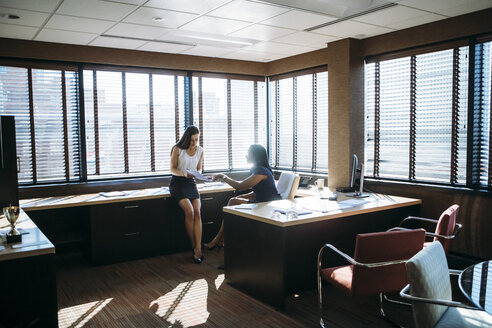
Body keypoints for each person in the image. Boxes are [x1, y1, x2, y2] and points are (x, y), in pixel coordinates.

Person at [205, 144, 281, 250]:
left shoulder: (261, 171)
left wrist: (223, 176)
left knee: (232, 202)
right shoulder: (258, 169)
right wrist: (243, 198)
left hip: (267, 205)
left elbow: (239, 186)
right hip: (262, 201)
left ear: (255, 156)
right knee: (233, 202)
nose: (246, 156)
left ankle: (219, 239)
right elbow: (257, 192)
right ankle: (222, 240)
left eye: (248, 153)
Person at [170, 126, 205, 264]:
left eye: (196, 140)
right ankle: (194, 246)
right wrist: (185, 173)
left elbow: (199, 168)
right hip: (177, 183)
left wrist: (197, 174)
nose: (194, 143)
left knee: (197, 211)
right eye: (191, 140)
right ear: (186, 139)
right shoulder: (177, 149)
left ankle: (198, 247)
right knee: (189, 211)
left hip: (190, 183)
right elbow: (172, 169)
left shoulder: (200, 150)